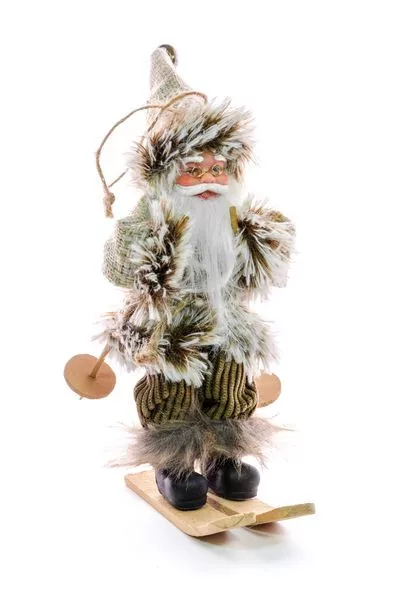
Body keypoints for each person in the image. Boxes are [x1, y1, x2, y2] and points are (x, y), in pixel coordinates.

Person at [97, 45, 295, 511]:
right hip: (172, 327)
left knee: (230, 384)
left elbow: (263, 269)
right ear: (164, 175)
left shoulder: (231, 218)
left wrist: (266, 241)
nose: (209, 179)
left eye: (217, 168)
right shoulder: (149, 218)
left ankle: (225, 455)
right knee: (174, 390)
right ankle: (175, 461)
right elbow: (117, 268)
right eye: (193, 170)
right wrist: (146, 221)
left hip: (228, 323)